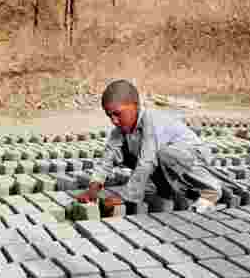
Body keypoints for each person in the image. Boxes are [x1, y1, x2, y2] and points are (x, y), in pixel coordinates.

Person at [88, 79, 228, 213]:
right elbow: (107, 158)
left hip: (194, 158)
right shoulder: (119, 131)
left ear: (135, 105)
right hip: (170, 161)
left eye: (118, 114)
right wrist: (94, 187)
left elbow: (146, 162)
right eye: (109, 116)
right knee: (125, 153)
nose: (114, 121)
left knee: (158, 155)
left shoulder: (151, 121)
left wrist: (125, 197)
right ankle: (172, 191)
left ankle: (211, 191)